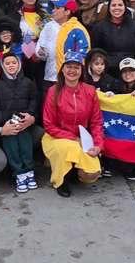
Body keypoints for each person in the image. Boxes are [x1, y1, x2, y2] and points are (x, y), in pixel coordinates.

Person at [41, 52, 104, 197]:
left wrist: (98, 145)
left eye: (76, 67)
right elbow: (49, 125)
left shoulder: (90, 91)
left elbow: (96, 122)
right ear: (62, 69)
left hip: (83, 139)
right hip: (56, 137)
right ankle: (61, 180)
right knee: (67, 147)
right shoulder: (53, 91)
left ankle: (74, 171)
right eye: (69, 66)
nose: (72, 70)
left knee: (91, 174)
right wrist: (74, 139)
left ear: (82, 70)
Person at [0, 52, 39, 193]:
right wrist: (3, 120)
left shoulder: (28, 82)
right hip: (7, 123)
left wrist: (30, 115)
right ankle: (19, 173)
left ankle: (29, 170)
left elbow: (34, 100)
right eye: (7, 63)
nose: (11, 66)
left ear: (19, 65)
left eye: (13, 63)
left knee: (25, 145)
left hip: (23, 122)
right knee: (12, 146)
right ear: (3, 66)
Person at [90, 0, 135, 76]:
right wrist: (103, 64)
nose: (117, 8)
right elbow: (95, 50)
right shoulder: (99, 27)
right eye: (113, 5)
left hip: (130, 69)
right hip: (108, 71)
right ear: (109, 8)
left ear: (125, 7)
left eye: (120, 5)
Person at [36, 0, 77, 94]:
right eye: (54, 7)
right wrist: (40, 53)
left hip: (69, 79)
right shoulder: (49, 26)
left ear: (67, 12)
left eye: (58, 8)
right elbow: (40, 46)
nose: (53, 10)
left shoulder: (76, 28)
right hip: (50, 77)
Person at [15, 0, 48, 87]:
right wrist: (28, 51)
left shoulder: (44, 14)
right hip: (22, 57)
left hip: (41, 56)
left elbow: (49, 36)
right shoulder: (15, 14)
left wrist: (38, 52)